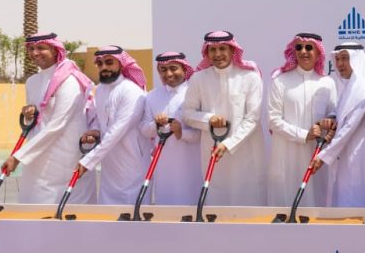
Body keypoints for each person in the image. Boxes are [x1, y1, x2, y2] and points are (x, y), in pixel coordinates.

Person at [4, 32, 95, 204]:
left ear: (54, 50)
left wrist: (17, 157)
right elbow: (37, 121)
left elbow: (57, 125)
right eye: (31, 49)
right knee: (33, 204)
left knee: (66, 207)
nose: (35, 53)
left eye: (41, 48)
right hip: (37, 155)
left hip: (65, 155)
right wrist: (29, 113)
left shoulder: (69, 81)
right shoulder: (32, 81)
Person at [182, 30, 267, 206]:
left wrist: (228, 144)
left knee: (247, 199)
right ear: (206, 52)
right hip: (212, 149)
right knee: (216, 200)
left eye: (222, 49)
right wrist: (208, 118)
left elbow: (253, 118)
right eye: (212, 50)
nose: (217, 54)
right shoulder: (198, 78)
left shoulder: (250, 77)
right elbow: (188, 113)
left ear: (232, 50)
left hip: (245, 151)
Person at [266, 33, 337, 208]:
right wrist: (304, 135)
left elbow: (333, 115)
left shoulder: (327, 82)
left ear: (318, 52)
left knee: (315, 205)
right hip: (286, 155)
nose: (303, 51)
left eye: (309, 47)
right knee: (285, 204)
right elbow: (273, 120)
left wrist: (329, 122)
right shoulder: (280, 80)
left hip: (316, 155)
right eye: (299, 47)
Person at [311, 43, 365, 211]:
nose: (340, 64)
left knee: (358, 202)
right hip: (347, 154)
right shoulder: (351, 86)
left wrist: (322, 157)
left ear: (356, 60)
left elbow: (348, 128)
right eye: (337, 59)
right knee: (344, 201)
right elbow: (340, 111)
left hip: (361, 156)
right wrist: (331, 118)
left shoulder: (363, 90)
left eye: (345, 58)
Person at [78, 46, 149, 205]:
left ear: (121, 64)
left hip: (131, 162)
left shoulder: (131, 91)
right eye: (100, 64)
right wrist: (95, 130)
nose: (104, 67)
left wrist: (89, 161)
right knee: (107, 210)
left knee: (131, 211)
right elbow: (100, 118)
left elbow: (117, 130)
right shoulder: (100, 90)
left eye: (109, 62)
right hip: (109, 164)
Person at [139, 52, 202, 205]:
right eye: (163, 70)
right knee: (165, 207)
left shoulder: (195, 93)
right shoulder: (152, 96)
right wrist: (156, 125)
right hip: (164, 166)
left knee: (191, 207)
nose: (168, 74)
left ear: (184, 69)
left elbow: (201, 134)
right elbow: (144, 130)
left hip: (190, 165)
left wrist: (181, 133)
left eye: (173, 68)